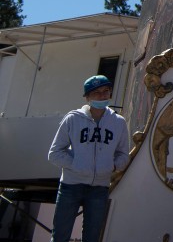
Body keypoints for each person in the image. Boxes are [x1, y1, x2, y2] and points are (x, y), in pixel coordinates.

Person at [47, 75, 130, 242]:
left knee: (92, 237)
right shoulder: (73, 119)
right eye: (96, 93)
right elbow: (54, 153)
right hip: (70, 186)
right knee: (60, 236)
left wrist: (112, 166)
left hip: (99, 188)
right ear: (87, 97)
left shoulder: (118, 122)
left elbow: (123, 155)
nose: (101, 96)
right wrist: (78, 165)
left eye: (105, 91)